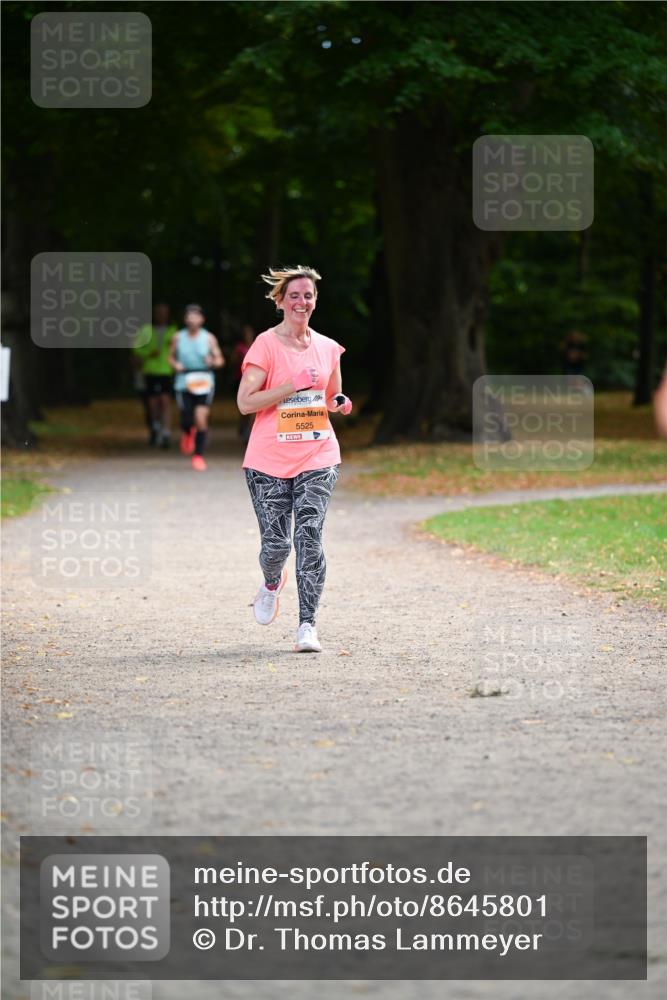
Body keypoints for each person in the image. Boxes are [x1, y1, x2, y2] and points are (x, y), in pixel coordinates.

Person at [237, 266, 353, 653]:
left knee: (309, 535)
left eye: (308, 295)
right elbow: (244, 403)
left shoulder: (328, 348)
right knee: (276, 546)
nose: (302, 302)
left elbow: (330, 396)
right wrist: (290, 385)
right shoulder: (265, 346)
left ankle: (307, 625)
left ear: (315, 301)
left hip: (318, 453)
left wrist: (339, 403)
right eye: (295, 296)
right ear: (281, 301)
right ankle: (272, 582)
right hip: (267, 459)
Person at [169, 304, 225, 472]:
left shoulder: (209, 338)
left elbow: (220, 360)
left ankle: (198, 456)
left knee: (201, 417)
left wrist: (213, 362)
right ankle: (188, 432)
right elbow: (170, 357)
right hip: (184, 380)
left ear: (202, 319)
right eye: (189, 316)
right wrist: (175, 364)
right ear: (185, 319)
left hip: (204, 379)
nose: (192, 319)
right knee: (186, 417)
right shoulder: (178, 337)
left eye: (196, 316)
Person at [132, 303, 178, 447]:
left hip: (166, 371)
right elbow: (136, 349)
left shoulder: (173, 330)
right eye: (159, 312)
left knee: (165, 401)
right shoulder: (146, 330)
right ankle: (156, 426)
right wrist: (148, 354)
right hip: (150, 370)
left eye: (164, 312)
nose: (161, 315)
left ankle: (166, 432)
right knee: (152, 404)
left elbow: (179, 348)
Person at [232, 324, 256, 442]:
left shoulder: (256, 346)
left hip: (254, 380)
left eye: (249, 333)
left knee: (252, 407)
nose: (248, 335)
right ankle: (243, 427)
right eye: (246, 334)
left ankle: (250, 433)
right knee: (243, 408)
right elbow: (233, 360)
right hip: (240, 379)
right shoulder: (239, 347)